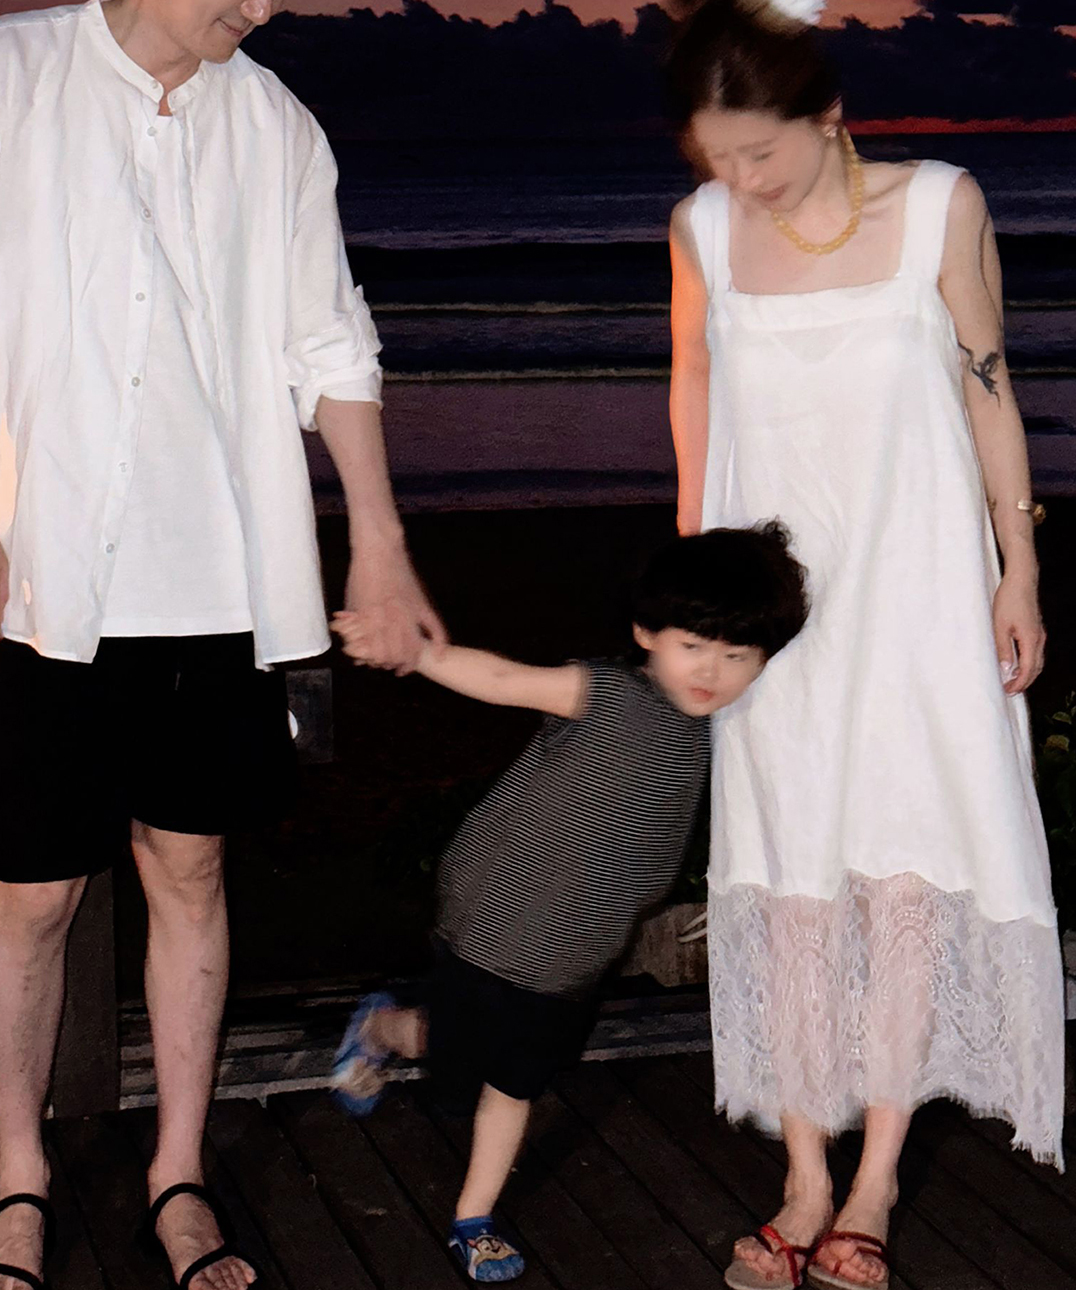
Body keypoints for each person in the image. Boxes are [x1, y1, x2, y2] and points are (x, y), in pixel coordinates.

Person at [0, 0, 443, 1290]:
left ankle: (177, 1171)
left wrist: (378, 548)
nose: (264, 9)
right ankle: (16, 1178)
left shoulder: (280, 130)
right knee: (33, 891)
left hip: (221, 575)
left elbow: (332, 348)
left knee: (191, 870)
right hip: (48, 573)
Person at [663, 0, 1064, 1290]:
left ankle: (876, 1180)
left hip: (916, 586)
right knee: (790, 876)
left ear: (827, 113)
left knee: (902, 873)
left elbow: (989, 386)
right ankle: (802, 1173)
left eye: (761, 152)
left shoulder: (941, 203)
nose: (744, 181)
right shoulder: (702, 230)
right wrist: (693, 588)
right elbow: (691, 390)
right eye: (719, 157)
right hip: (771, 611)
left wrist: (1018, 568)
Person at [328, 525, 809, 1283]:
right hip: (492, 919)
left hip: (575, 958)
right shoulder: (610, 693)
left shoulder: (721, 730)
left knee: (516, 1080)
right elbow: (502, 678)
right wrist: (416, 653)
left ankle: (472, 1218)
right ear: (646, 632)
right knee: (454, 1058)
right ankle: (383, 1025)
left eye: (737, 657)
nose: (711, 671)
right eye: (693, 646)